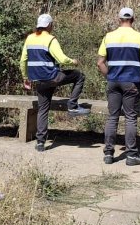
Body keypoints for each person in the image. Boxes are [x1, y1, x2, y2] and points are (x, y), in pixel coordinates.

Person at [20, 14, 90, 151]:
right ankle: (73, 106)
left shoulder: (29, 38)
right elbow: (62, 59)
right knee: (79, 76)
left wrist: (25, 77)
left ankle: (40, 142)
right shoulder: (50, 39)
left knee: (43, 109)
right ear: (49, 26)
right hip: (52, 77)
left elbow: (23, 61)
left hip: (38, 80)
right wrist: (73, 61)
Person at [97, 7, 140, 166]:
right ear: (133, 19)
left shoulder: (108, 37)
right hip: (131, 82)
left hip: (113, 82)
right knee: (130, 118)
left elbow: (100, 62)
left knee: (112, 117)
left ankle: (108, 154)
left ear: (118, 19)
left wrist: (109, 76)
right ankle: (131, 156)